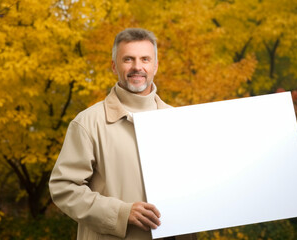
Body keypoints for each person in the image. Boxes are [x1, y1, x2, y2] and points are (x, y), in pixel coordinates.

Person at [49, 28, 197, 240]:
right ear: (114, 66)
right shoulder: (87, 123)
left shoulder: (180, 122)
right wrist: (121, 213)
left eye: (145, 59)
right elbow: (63, 188)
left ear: (155, 65)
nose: (137, 67)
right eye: (128, 59)